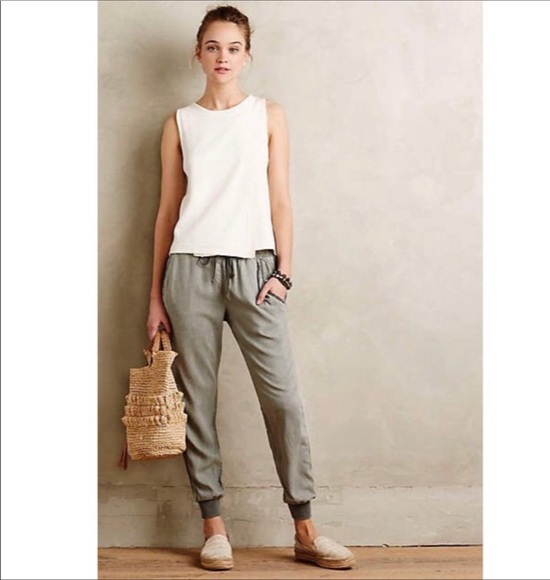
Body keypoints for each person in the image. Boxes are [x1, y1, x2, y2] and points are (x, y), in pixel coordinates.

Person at [146, 4, 356, 572]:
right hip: (189, 271)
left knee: (282, 398)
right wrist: (155, 297)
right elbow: (167, 211)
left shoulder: (268, 115)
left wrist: (284, 272)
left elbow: (281, 199)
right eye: (212, 46)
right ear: (198, 53)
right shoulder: (179, 123)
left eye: (233, 47)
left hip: (256, 270)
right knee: (198, 403)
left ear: (247, 55)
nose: (222, 56)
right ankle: (213, 528)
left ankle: (306, 529)